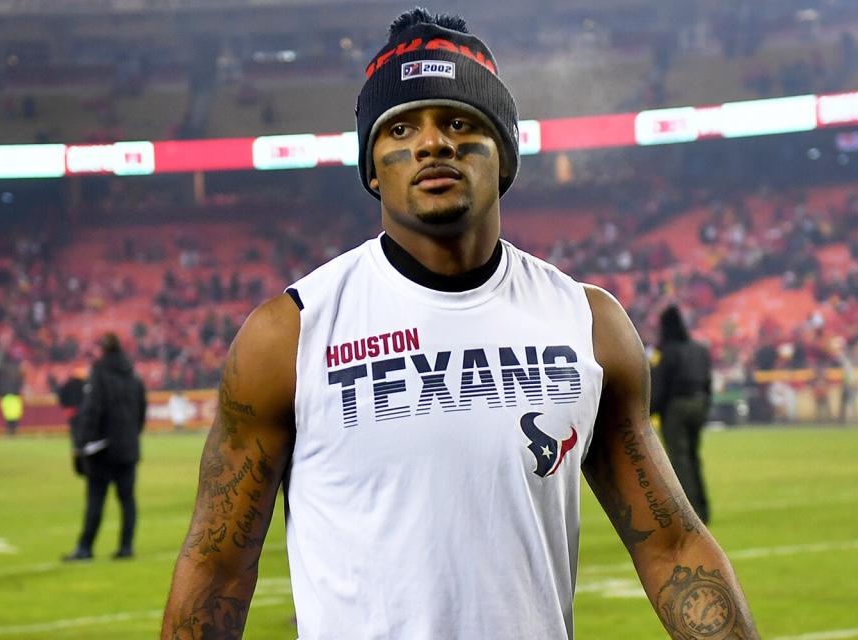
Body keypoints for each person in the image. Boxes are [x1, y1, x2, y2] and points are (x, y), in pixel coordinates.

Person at [162, 9, 759, 639]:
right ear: (372, 167)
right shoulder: (289, 335)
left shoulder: (588, 325)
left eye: (458, 121)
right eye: (400, 128)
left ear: (504, 153)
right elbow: (218, 570)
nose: (432, 143)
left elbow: (671, 546)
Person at [64, 333, 146, 561]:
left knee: (96, 499)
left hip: (102, 450)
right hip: (128, 448)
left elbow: (93, 411)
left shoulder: (98, 373)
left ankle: (85, 547)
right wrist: (131, 436)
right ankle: (126, 547)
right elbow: (141, 412)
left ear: (103, 350)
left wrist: (81, 444)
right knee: (127, 499)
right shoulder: (133, 375)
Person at [651, 305, 714, 524]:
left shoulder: (668, 352)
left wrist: (650, 411)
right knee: (694, 458)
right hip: (698, 404)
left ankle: (690, 513)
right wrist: (706, 406)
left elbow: (660, 386)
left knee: (679, 461)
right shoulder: (700, 350)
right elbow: (708, 383)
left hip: (676, 409)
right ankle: (703, 508)